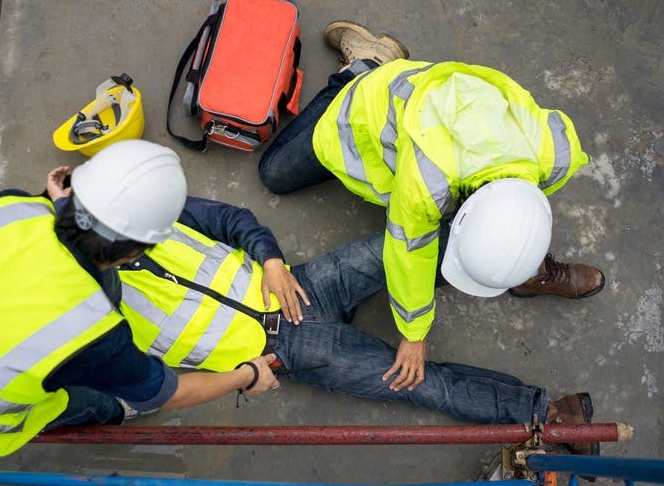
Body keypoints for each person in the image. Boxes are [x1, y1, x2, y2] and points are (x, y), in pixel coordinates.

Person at [0, 140, 278, 462]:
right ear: (134, 254)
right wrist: (246, 375)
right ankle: (112, 411)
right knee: (88, 397)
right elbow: (170, 394)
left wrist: (58, 207)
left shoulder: (11, 207)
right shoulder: (94, 330)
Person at [258, 21, 606, 394]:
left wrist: (518, 248)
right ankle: (366, 65)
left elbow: (522, 211)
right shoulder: (426, 183)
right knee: (274, 174)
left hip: (431, 114)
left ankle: (527, 271)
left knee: (490, 238)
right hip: (363, 113)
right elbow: (408, 254)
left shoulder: (556, 153)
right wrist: (414, 334)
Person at [114, 195, 594, 432]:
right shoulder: (89, 320)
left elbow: (229, 220)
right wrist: (245, 376)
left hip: (300, 285)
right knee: (424, 384)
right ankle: (547, 415)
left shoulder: (130, 211)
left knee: (409, 248)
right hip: (288, 353)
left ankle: (517, 269)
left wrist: (272, 261)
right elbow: (148, 391)